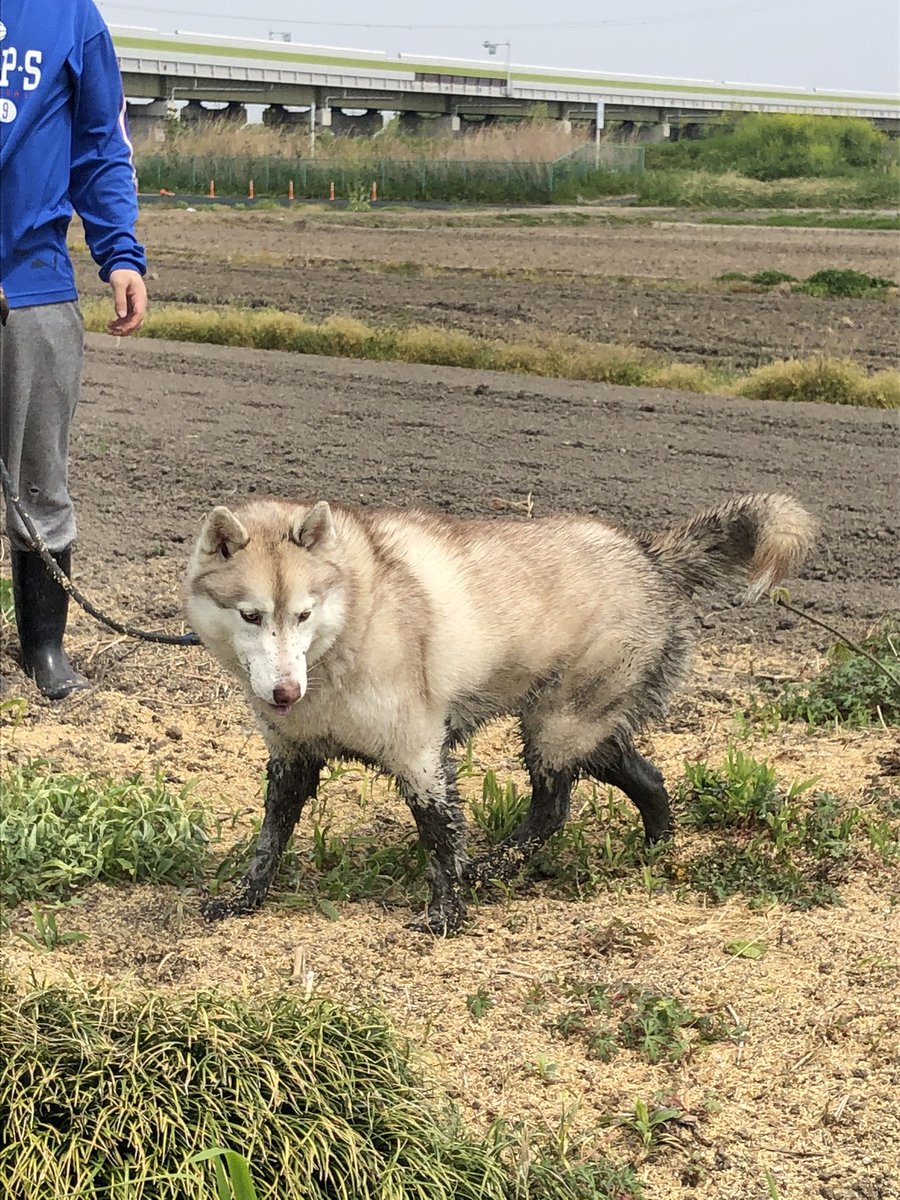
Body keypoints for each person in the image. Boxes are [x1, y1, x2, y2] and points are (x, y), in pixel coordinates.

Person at [0, 0, 147, 699]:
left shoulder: (69, 16)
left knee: (39, 481)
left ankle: (43, 649)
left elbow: (99, 143)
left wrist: (120, 251)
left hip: (34, 286)